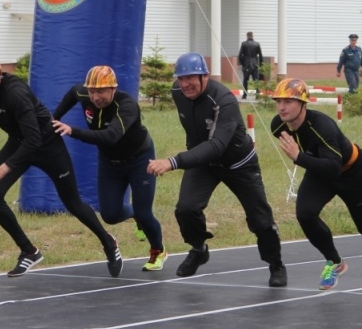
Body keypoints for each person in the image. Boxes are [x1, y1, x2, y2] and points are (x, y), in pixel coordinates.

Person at [0, 56, 122, 278]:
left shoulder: (15, 94)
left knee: (72, 203)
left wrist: (4, 168)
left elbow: (34, 139)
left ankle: (109, 242)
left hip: (46, 144)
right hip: (18, 142)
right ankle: (29, 251)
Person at [146, 52, 287, 287]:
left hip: (238, 163)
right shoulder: (176, 92)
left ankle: (276, 265)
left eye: (191, 78)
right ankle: (199, 248)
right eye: (181, 79)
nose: (185, 84)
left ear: (205, 76)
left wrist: (172, 162)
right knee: (186, 209)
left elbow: (217, 145)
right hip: (203, 162)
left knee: (261, 220)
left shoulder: (224, 100)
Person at [271, 78, 362, 294]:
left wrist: (299, 157)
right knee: (305, 214)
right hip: (319, 170)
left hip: (349, 170)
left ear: (303, 104)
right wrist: (304, 158)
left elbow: (334, 168)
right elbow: (319, 163)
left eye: (288, 101)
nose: (281, 107)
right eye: (278, 101)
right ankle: (334, 261)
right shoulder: (277, 125)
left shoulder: (322, 126)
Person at [51, 66, 167, 271]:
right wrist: (56, 117)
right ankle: (134, 215)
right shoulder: (84, 92)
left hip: (140, 160)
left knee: (145, 212)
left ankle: (158, 250)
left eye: (101, 92)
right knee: (110, 216)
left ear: (113, 89)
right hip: (109, 162)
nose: (95, 97)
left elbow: (110, 136)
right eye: (92, 91)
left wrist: (72, 131)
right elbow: (72, 93)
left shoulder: (127, 105)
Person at [237, 31, 264, 99]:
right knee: (256, 80)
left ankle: (244, 95)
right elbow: (260, 56)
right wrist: (261, 65)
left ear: (247, 36)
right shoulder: (257, 44)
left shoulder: (244, 44)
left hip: (246, 64)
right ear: (252, 36)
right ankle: (257, 95)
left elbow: (240, 55)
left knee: (245, 80)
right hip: (255, 64)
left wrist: (243, 63)